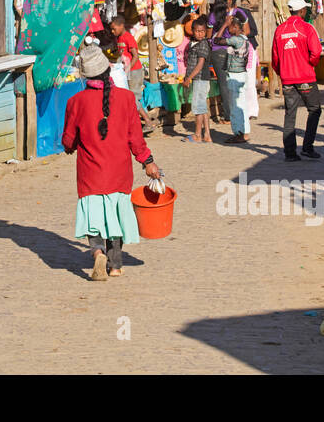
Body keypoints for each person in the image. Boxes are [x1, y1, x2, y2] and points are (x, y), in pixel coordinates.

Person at [62, 44, 162, 281]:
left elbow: (68, 140)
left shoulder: (76, 101)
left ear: (85, 75)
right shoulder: (127, 99)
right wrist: (148, 161)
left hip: (90, 174)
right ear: (108, 70)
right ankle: (115, 265)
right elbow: (136, 140)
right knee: (115, 218)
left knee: (94, 218)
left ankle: (97, 252)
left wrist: (70, 147)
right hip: (119, 172)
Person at [272, 0, 323, 162]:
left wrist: (283, 72)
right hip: (305, 77)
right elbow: (316, 52)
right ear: (301, 11)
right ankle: (307, 147)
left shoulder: (280, 30)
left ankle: (290, 153)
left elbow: (275, 58)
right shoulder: (307, 28)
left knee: (290, 114)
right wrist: (309, 64)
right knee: (314, 109)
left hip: (287, 79)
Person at [108, 15, 155, 135]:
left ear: (121, 26)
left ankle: (148, 122)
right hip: (127, 72)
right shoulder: (119, 39)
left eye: (114, 29)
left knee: (133, 98)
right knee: (129, 98)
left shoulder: (128, 38)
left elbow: (136, 56)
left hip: (134, 71)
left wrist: (128, 68)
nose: (113, 32)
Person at [181, 17, 212, 142]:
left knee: (198, 107)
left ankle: (198, 134)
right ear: (192, 31)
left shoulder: (203, 44)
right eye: (197, 31)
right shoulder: (192, 43)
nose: (200, 34)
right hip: (198, 79)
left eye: (202, 31)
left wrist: (189, 78)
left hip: (200, 78)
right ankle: (207, 135)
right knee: (202, 107)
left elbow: (200, 64)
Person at [222, 17, 252, 144]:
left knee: (235, 106)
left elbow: (216, 40)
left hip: (235, 75)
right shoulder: (245, 39)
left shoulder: (236, 39)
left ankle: (239, 133)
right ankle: (244, 132)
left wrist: (224, 25)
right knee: (242, 106)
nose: (228, 29)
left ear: (234, 27)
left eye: (230, 27)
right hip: (241, 74)